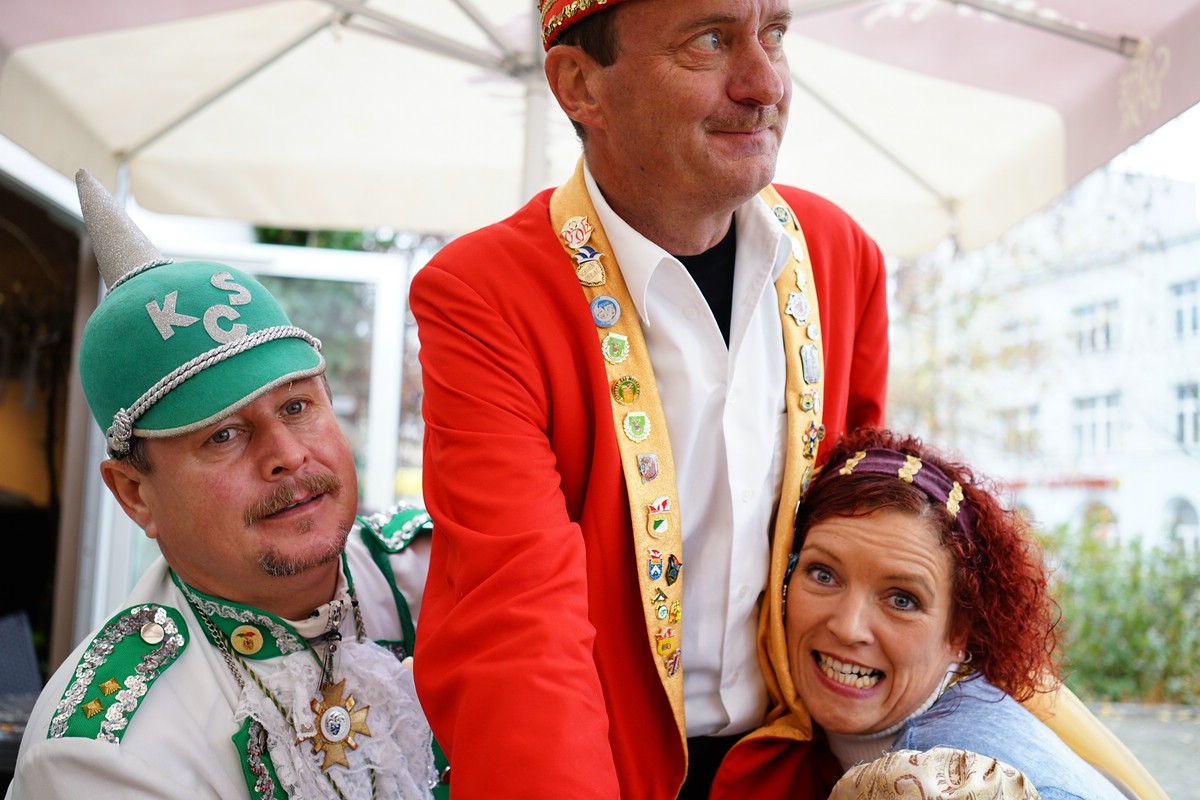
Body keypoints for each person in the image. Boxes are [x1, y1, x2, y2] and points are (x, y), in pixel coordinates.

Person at [406, 1, 890, 797]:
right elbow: (519, 619)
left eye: (774, 35)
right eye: (710, 40)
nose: (765, 83)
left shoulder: (842, 254)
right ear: (579, 84)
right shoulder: (482, 294)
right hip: (599, 770)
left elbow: (875, 538)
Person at [5, 170, 439, 799]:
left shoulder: (436, 573)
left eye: (296, 406)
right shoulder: (102, 758)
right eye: (223, 435)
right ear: (135, 494)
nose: (287, 455)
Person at [711, 427, 1168, 800]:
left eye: (902, 600)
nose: (848, 627)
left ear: (960, 632)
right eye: (824, 574)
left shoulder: (931, 782)